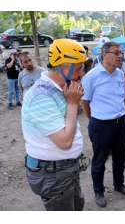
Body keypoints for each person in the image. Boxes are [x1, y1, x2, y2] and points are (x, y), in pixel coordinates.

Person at [22, 39, 88, 211]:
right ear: (64, 68)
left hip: (64, 170)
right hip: (53, 175)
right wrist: (73, 103)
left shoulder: (59, 89)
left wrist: (74, 99)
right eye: (80, 68)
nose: (82, 74)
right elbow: (65, 141)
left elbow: (69, 121)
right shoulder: (41, 97)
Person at [81, 41, 125, 208]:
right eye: (116, 53)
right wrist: (94, 120)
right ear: (104, 55)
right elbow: (85, 102)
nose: (121, 56)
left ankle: (119, 184)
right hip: (101, 125)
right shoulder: (91, 76)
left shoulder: (119, 74)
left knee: (120, 157)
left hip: (121, 123)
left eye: (121, 52)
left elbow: (121, 97)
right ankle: (99, 191)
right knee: (99, 160)